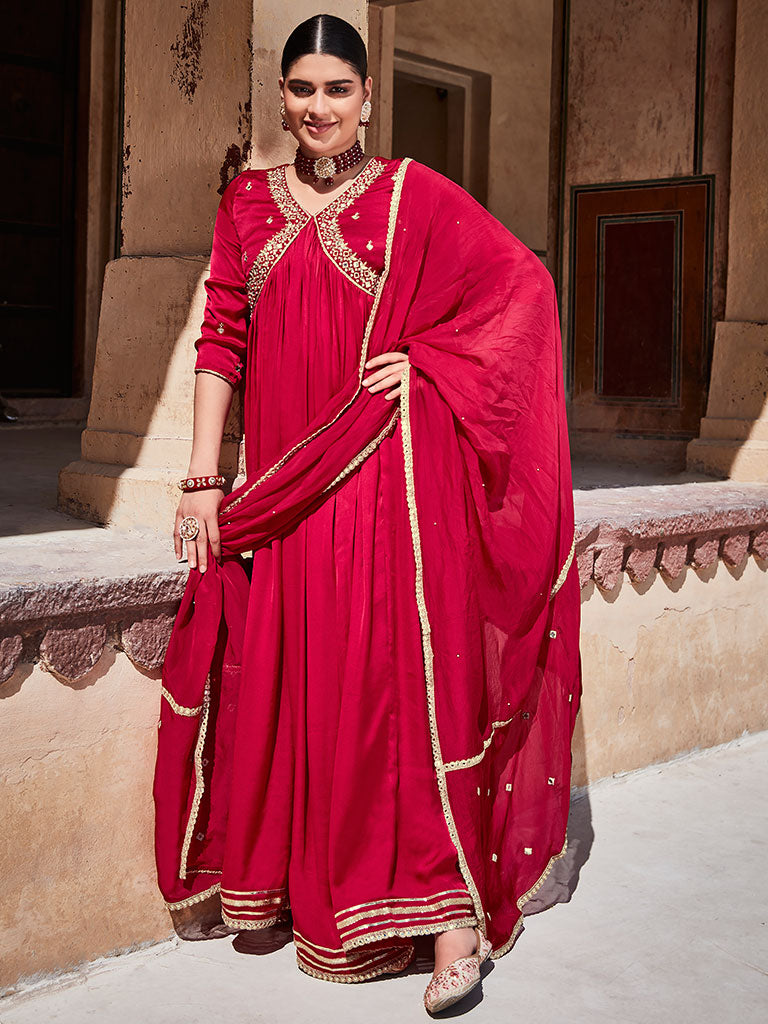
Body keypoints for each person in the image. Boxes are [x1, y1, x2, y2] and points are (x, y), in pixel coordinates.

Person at [153, 12, 581, 1015]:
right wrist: (203, 478)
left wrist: (426, 365)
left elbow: (521, 290)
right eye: (300, 90)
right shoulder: (247, 204)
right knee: (307, 691)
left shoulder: (408, 195)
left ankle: (453, 928)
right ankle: (327, 898)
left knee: (396, 696)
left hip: (383, 482)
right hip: (286, 489)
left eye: (335, 90)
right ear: (283, 97)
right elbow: (223, 338)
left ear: (367, 97)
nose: (316, 108)